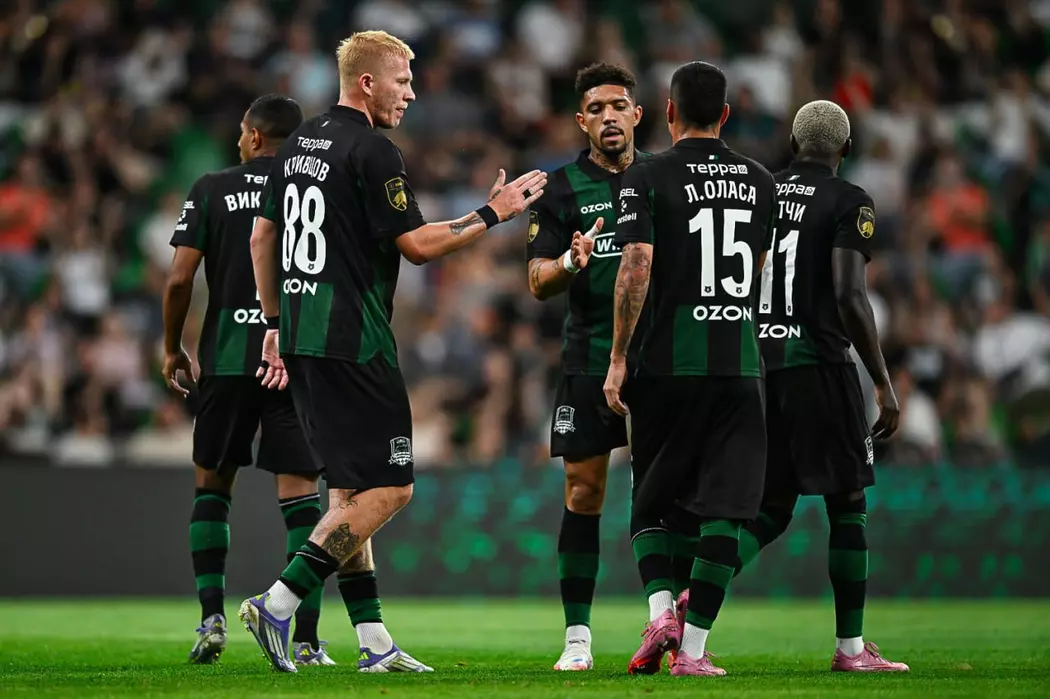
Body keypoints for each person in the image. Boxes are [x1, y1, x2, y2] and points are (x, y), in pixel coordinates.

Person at [239, 30, 546, 674]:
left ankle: (373, 641)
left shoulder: (299, 143)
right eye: (402, 81)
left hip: (303, 335)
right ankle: (278, 602)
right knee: (393, 486)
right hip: (353, 339)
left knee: (351, 491)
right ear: (367, 82)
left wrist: (272, 322)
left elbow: (263, 236)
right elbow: (418, 246)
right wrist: (493, 213)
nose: (409, 93)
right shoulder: (374, 150)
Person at [604, 61, 776, 677]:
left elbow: (636, 264)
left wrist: (619, 357)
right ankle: (694, 653)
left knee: (651, 502)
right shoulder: (762, 181)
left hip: (666, 365)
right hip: (737, 366)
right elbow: (757, 268)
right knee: (727, 511)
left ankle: (660, 614)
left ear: (669, 112)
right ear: (726, 114)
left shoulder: (645, 174)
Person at [164, 94, 340, 666]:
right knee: (303, 501)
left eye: (243, 132)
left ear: (256, 136)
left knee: (212, 491)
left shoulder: (212, 188)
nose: (240, 140)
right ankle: (305, 639)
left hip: (228, 361)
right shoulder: (313, 190)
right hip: (293, 360)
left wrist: (171, 347)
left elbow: (179, 279)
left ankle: (211, 619)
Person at [737, 99, 908, 672]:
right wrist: (882, 382)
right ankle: (851, 650)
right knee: (848, 503)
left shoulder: (759, 192)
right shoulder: (849, 200)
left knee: (771, 506)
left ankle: (692, 597)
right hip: (819, 362)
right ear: (847, 148)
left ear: (792, 143)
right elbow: (849, 293)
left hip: (758, 366)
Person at [525, 61, 645, 672]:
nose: (608, 116)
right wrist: (572, 263)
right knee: (583, 490)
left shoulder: (662, 178)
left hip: (659, 361)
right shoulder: (561, 188)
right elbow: (536, 280)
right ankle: (577, 638)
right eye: (596, 109)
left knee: (667, 496)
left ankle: (671, 628)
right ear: (581, 121)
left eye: (618, 105)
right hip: (588, 358)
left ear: (637, 114)